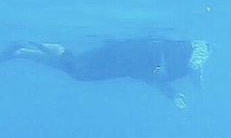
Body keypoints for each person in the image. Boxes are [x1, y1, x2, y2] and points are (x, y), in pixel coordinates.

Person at [0, 38, 210, 109]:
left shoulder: (179, 71)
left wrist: (172, 94)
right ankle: (34, 40)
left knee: (77, 73)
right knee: (75, 64)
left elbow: (152, 78)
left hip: (122, 66)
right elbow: (159, 49)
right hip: (120, 53)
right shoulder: (188, 52)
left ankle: (21, 52)